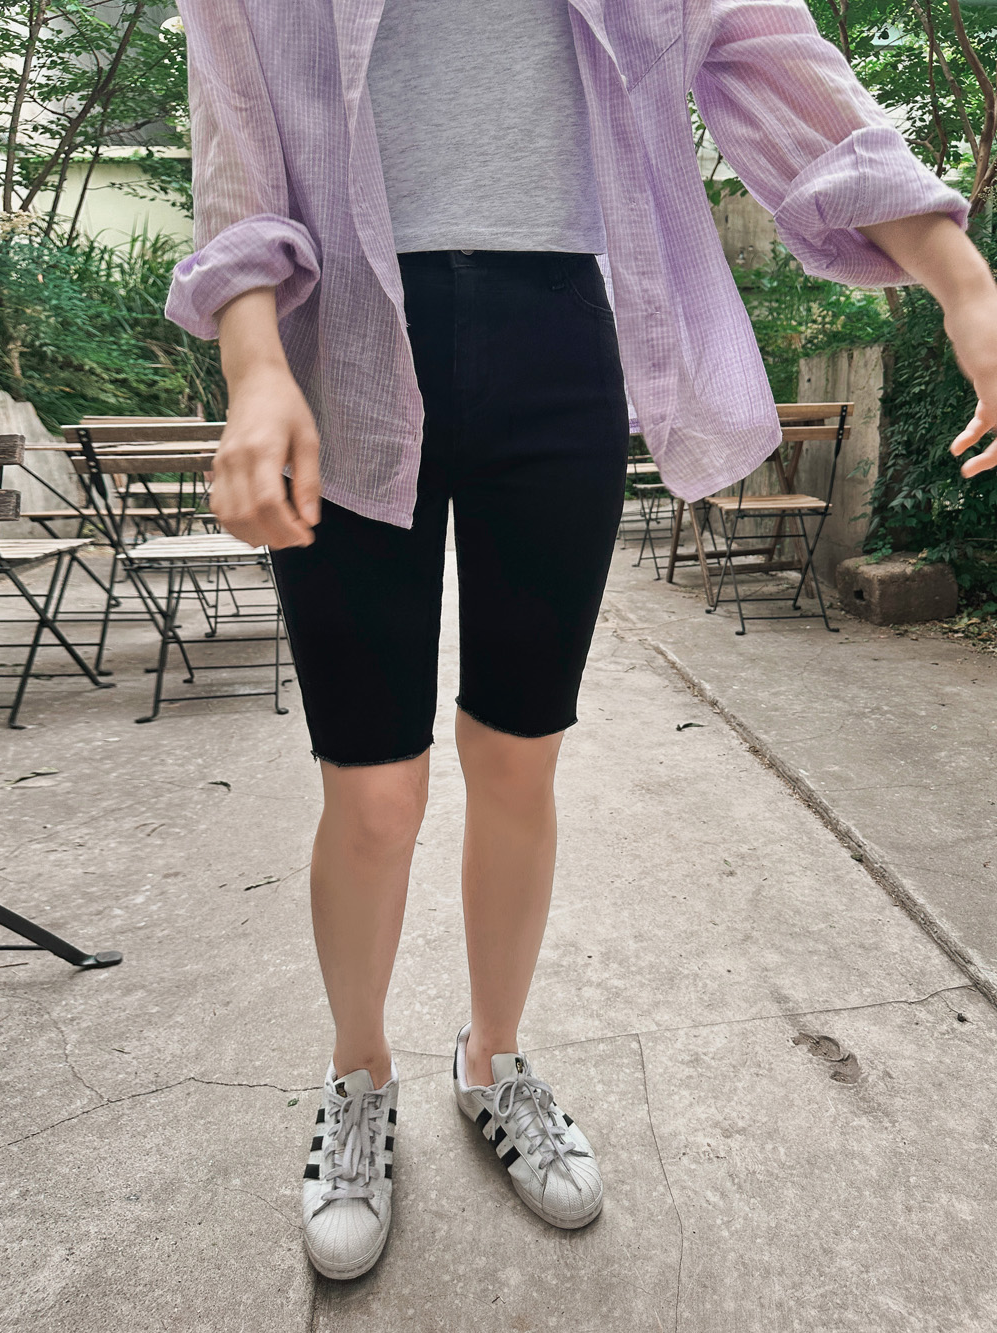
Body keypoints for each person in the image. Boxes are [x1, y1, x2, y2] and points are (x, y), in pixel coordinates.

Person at [165, 0, 997, 1281]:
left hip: (560, 345)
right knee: (372, 794)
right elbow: (235, 122)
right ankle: (357, 1075)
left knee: (519, 757)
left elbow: (770, 54)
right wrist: (252, 360)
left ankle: (492, 1058)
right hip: (345, 344)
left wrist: (960, 274)